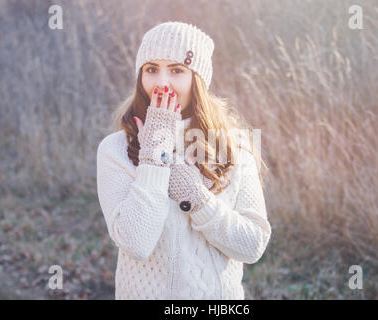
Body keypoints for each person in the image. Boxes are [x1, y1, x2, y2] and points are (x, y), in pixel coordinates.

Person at [96, 21, 272, 300]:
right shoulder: (116, 148)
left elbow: (252, 247)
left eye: (177, 70)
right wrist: (154, 157)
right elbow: (136, 243)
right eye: (151, 69)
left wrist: (196, 197)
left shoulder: (232, 146)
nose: (161, 83)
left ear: (197, 78)